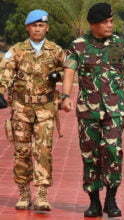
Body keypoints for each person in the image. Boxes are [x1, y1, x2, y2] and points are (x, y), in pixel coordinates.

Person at [61, 3, 124, 218]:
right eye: (105, 22)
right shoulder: (78, 46)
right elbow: (69, 71)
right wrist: (65, 96)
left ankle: (111, 198)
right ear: (93, 24)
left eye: (111, 21)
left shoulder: (120, 44)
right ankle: (94, 202)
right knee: (90, 155)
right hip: (88, 111)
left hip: (114, 110)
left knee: (113, 152)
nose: (110, 25)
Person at [0, 9, 66, 211]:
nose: (38, 29)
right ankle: (24, 193)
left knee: (43, 151)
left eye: (41, 25)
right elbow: (5, 72)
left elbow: (70, 70)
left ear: (47, 28)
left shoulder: (55, 50)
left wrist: (59, 75)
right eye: (34, 25)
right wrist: (2, 89)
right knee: (22, 152)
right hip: (21, 109)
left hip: (45, 109)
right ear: (28, 27)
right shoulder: (17, 50)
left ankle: (42, 195)